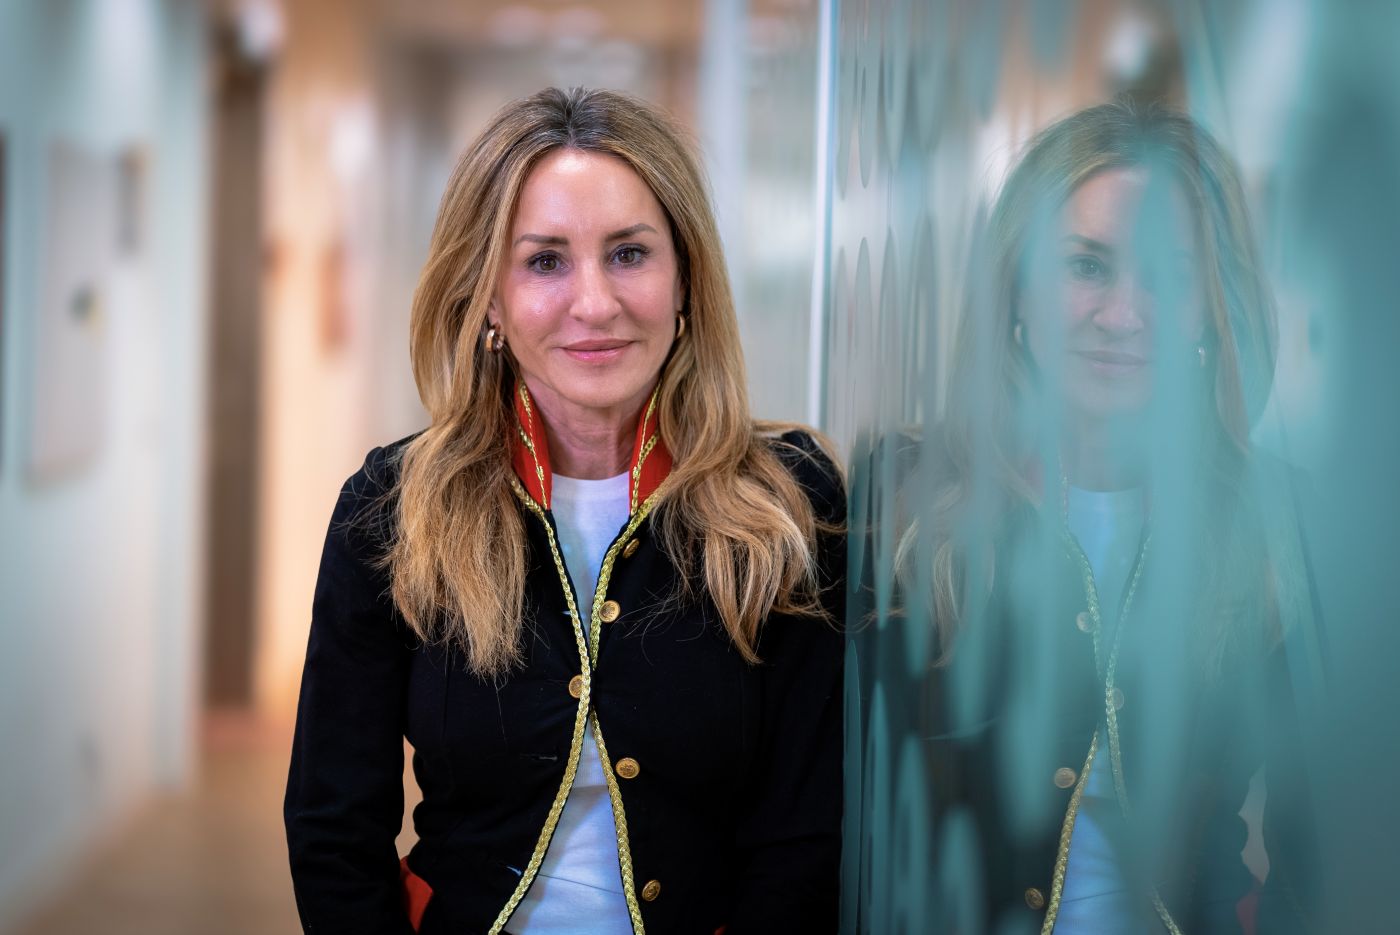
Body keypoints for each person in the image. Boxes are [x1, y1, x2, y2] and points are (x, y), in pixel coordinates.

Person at [284, 87, 846, 935]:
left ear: (686, 279)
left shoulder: (786, 504)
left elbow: (802, 836)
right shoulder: (394, 509)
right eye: (545, 261)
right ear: (490, 298)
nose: (594, 303)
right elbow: (334, 824)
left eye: (629, 253)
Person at [897, 100, 1317, 933]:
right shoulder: (906, 499)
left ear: (1210, 309)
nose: (1124, 314)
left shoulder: (1273, 523)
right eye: (1085, 265)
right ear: (1016, 287)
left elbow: (1322, 856)